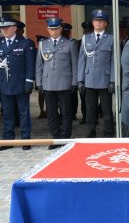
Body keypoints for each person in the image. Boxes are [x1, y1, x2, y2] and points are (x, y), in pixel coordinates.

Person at [36, 18, 78, 150]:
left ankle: (65, 138)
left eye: (56, 28)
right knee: (52, 113)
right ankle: (55, 137)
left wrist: (74, 82)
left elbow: (75, 65)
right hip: (48, 82)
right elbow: (39, 65)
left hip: (65, 83)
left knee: (66, 112)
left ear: (61, 29)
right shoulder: (43, 44)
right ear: (48, 30)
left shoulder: (70, 44)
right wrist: (39, 82)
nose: (54, 31)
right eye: (51, 29)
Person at [0, 17, 36, 151]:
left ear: (14, 28)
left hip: (20, 84)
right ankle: (8, 140)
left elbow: (29, 65)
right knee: (7, 113)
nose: (4, 30)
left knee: (24, 113)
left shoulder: (25, 43)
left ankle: (26, 139)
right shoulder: (0, 42)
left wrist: (29, 82)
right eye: (2, 28)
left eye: (6, 28)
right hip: (4, 84)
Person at [78, 10, 115, 138]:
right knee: (90, 110)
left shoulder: (111, 39)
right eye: (96, 20)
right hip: (89, 79)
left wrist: (113, 80)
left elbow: (113, 61)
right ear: (93, 22)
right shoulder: (85, 38)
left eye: (101, 21)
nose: (98, 23)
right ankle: (90, 133)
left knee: (107, 111)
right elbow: (82, 60)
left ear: (106, 23)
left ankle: (108, 134)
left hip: (105, 80)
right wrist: (80, 80)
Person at [61, 22, 79, 121]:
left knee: (73, 96)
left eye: (67, 32)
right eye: (64, 31)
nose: (65, 33)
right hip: (62, 74)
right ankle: (62, 114)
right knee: (62, 97)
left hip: (72, 73)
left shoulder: (74, 42)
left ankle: (73, 113)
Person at [77, 21, 94, 125]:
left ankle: (95, 116)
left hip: (96, 75)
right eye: (85, 29)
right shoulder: (79, 42)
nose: (87, 31)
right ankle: (85, 117)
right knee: (84, 99)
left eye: (89, 29)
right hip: (84, 74)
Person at [35, 35, 48, 119]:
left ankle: (47, 110)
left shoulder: (47, 50)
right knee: (40, 94)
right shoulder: (35, 51)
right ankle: (41, 111)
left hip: (47, 76)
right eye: (38, 42)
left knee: (48, 94)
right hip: (39, 75)